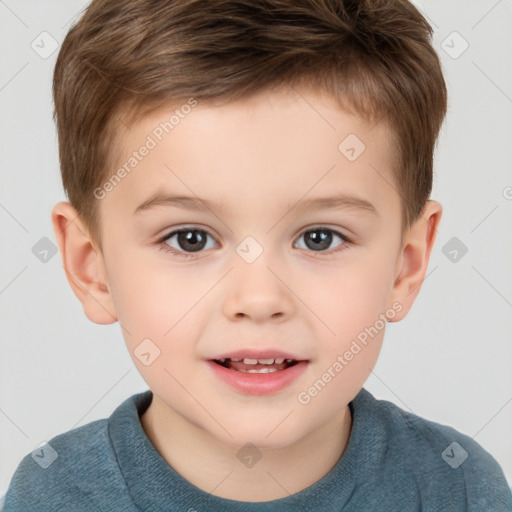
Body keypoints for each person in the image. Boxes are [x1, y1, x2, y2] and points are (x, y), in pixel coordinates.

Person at [3, 0, 511, 510]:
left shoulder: (459, 488)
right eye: (190, 239)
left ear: (407, 264)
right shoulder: (51, 496)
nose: (259, 298)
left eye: (320, 238)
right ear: (92, 267)